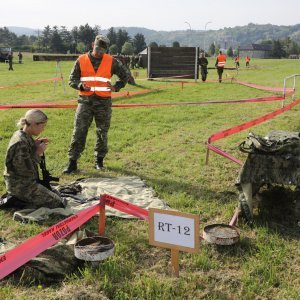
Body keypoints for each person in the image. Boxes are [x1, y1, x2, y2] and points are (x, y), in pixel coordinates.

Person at [63, 35, 130, 174]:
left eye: (102, 50)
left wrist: (116, 86)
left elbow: (125, 75)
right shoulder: (81, 60)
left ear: (106, 50)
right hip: (85, 102)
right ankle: (72, 162)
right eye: (97, 49)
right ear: (93, 44)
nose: (99, 53)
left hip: (103, 103)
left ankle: (99, 161)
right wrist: (80, 85)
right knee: (79, 131)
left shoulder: (112, 61)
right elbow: (72, 80)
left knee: (102, 132)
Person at [3, 109, 65, 209]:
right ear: (33, 124)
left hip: (26, 182)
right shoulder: (20, 143)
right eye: (42, 126)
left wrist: (34, 145)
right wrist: (37, 153)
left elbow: (25, 156)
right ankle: (16, 201)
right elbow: (25, 171)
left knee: (57, 194)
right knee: (58, 203)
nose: (43, 129)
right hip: (21, 186)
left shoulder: (23, 135)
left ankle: (21, 200)